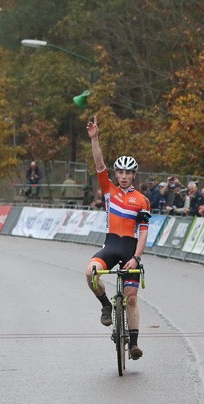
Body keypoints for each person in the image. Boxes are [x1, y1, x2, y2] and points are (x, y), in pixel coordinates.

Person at [85, 116, 150, 361]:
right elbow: (99, 164)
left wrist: (136, 257)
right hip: (111, 245)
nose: (123, 176)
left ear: (133, 175)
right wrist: (95, 138)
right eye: (120, 172)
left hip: (130, 250)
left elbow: (143, 231)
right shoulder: (109, 190)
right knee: (90, 272)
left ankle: (133, 343)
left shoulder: (142, 200)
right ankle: (106, 305)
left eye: (127, 173)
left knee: (131, 298)